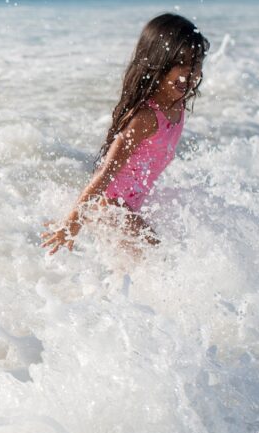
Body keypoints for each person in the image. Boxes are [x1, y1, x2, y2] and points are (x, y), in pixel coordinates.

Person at [42, 13, 209, 254]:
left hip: (130, 207)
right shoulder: (145, 118)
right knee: (159, 255)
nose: (189, 72)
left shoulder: (177, 105)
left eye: (196, 63)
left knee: (136, 269)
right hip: (110, 208)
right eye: (180, 62)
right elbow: (105, 172)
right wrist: (73, 220)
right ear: (159, 61)